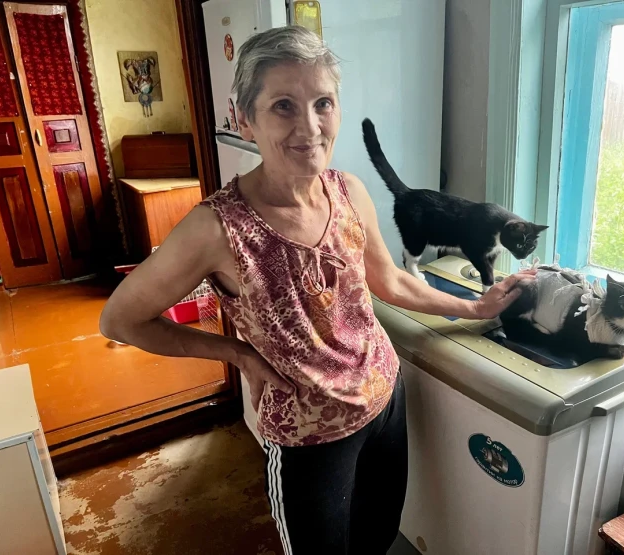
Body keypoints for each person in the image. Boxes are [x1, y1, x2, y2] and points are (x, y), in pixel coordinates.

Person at [100, 26, 535, 555]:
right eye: (283, 106)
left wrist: (475, 306)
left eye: (322, 103)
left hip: (384, 402)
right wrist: (236, 354)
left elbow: (390, 280)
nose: (309, 127)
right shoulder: (215, 228)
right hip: (308, 437)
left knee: (377, 538)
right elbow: (120, 320)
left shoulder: (349, 190)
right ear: (244, 118)